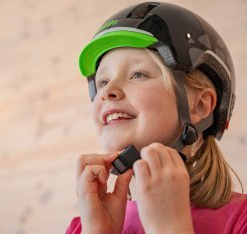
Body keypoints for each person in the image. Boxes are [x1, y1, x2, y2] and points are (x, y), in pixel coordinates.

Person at [67, 2, 247, 233]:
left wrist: (171, 228)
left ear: (200, 105)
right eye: (102, 82)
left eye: (137, 74)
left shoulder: (241, 220)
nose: (107, 91)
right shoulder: (83, 226)